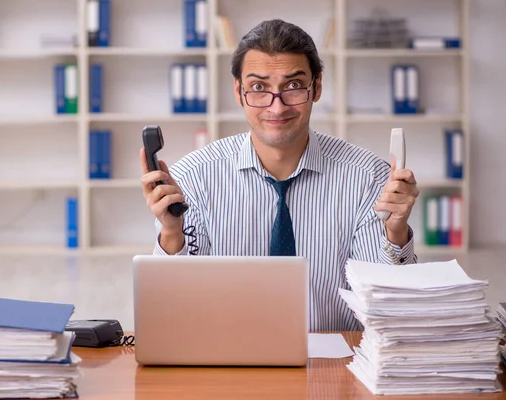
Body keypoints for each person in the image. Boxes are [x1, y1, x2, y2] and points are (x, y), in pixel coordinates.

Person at [139, 19, 419, 331]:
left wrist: (395, 233)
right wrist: (172, 233)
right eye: (259, 88)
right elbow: (177, 305)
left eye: (294, 86)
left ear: (317, 88)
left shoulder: (368, 179)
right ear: (239, 91)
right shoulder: (193, 178)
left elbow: (386, 303)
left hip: (335, 367)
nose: (276, 107)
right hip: (227, 364)